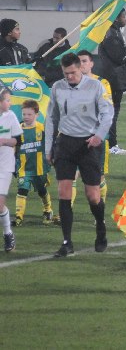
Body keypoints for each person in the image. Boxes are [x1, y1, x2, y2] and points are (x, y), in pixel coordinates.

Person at [46, 53, 113, 257]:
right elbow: (51, 118)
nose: (69, 77)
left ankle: (100, 227)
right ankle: (67, 242)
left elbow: (108, 114)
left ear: (81, 69)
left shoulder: (95, 87)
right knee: (64, 193)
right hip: (65, 143)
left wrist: (99, 136)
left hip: (88, 144)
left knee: (93, 196)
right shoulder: (57, 87)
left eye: (73, 73)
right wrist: (48, 147)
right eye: (66, 74)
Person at [95, 8, 126, 155]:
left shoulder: (113, 32)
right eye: (124, 16)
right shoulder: (111, 34)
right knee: (111, 112)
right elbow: (121, 58)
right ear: (116, 18)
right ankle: (110, 144)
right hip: (112, 81)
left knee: (112, 112)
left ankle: (110, 143)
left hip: (114, 80)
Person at [77, 50, 112, 205]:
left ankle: (100, 209)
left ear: (91, 63)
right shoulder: (70, 83)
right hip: (75, 135)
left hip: (97, 136)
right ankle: (65, 213)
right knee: (71, 175)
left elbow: (107, 109)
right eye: (78, 61)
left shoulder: (102, 83)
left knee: (99, 177)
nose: (81, 64)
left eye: (84, 61)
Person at [14, 100, 53, 227]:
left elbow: (50, 145)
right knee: (22, 190)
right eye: (24, 114)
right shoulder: (18, 130)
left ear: (37, 114)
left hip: (39, 168)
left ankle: (47, 210)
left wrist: (51, 160)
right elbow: (14, 147)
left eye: (29, 114)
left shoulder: (42, 128)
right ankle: (18, 217)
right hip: (24, 168)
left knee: (42, 191)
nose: (26, 117)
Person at [0, 88, 22, 252]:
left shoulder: (11, 116)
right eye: (7, 100)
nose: (10, 103)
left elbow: (17, 140)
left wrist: (3, 141)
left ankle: (8, 233)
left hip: (5, 164)